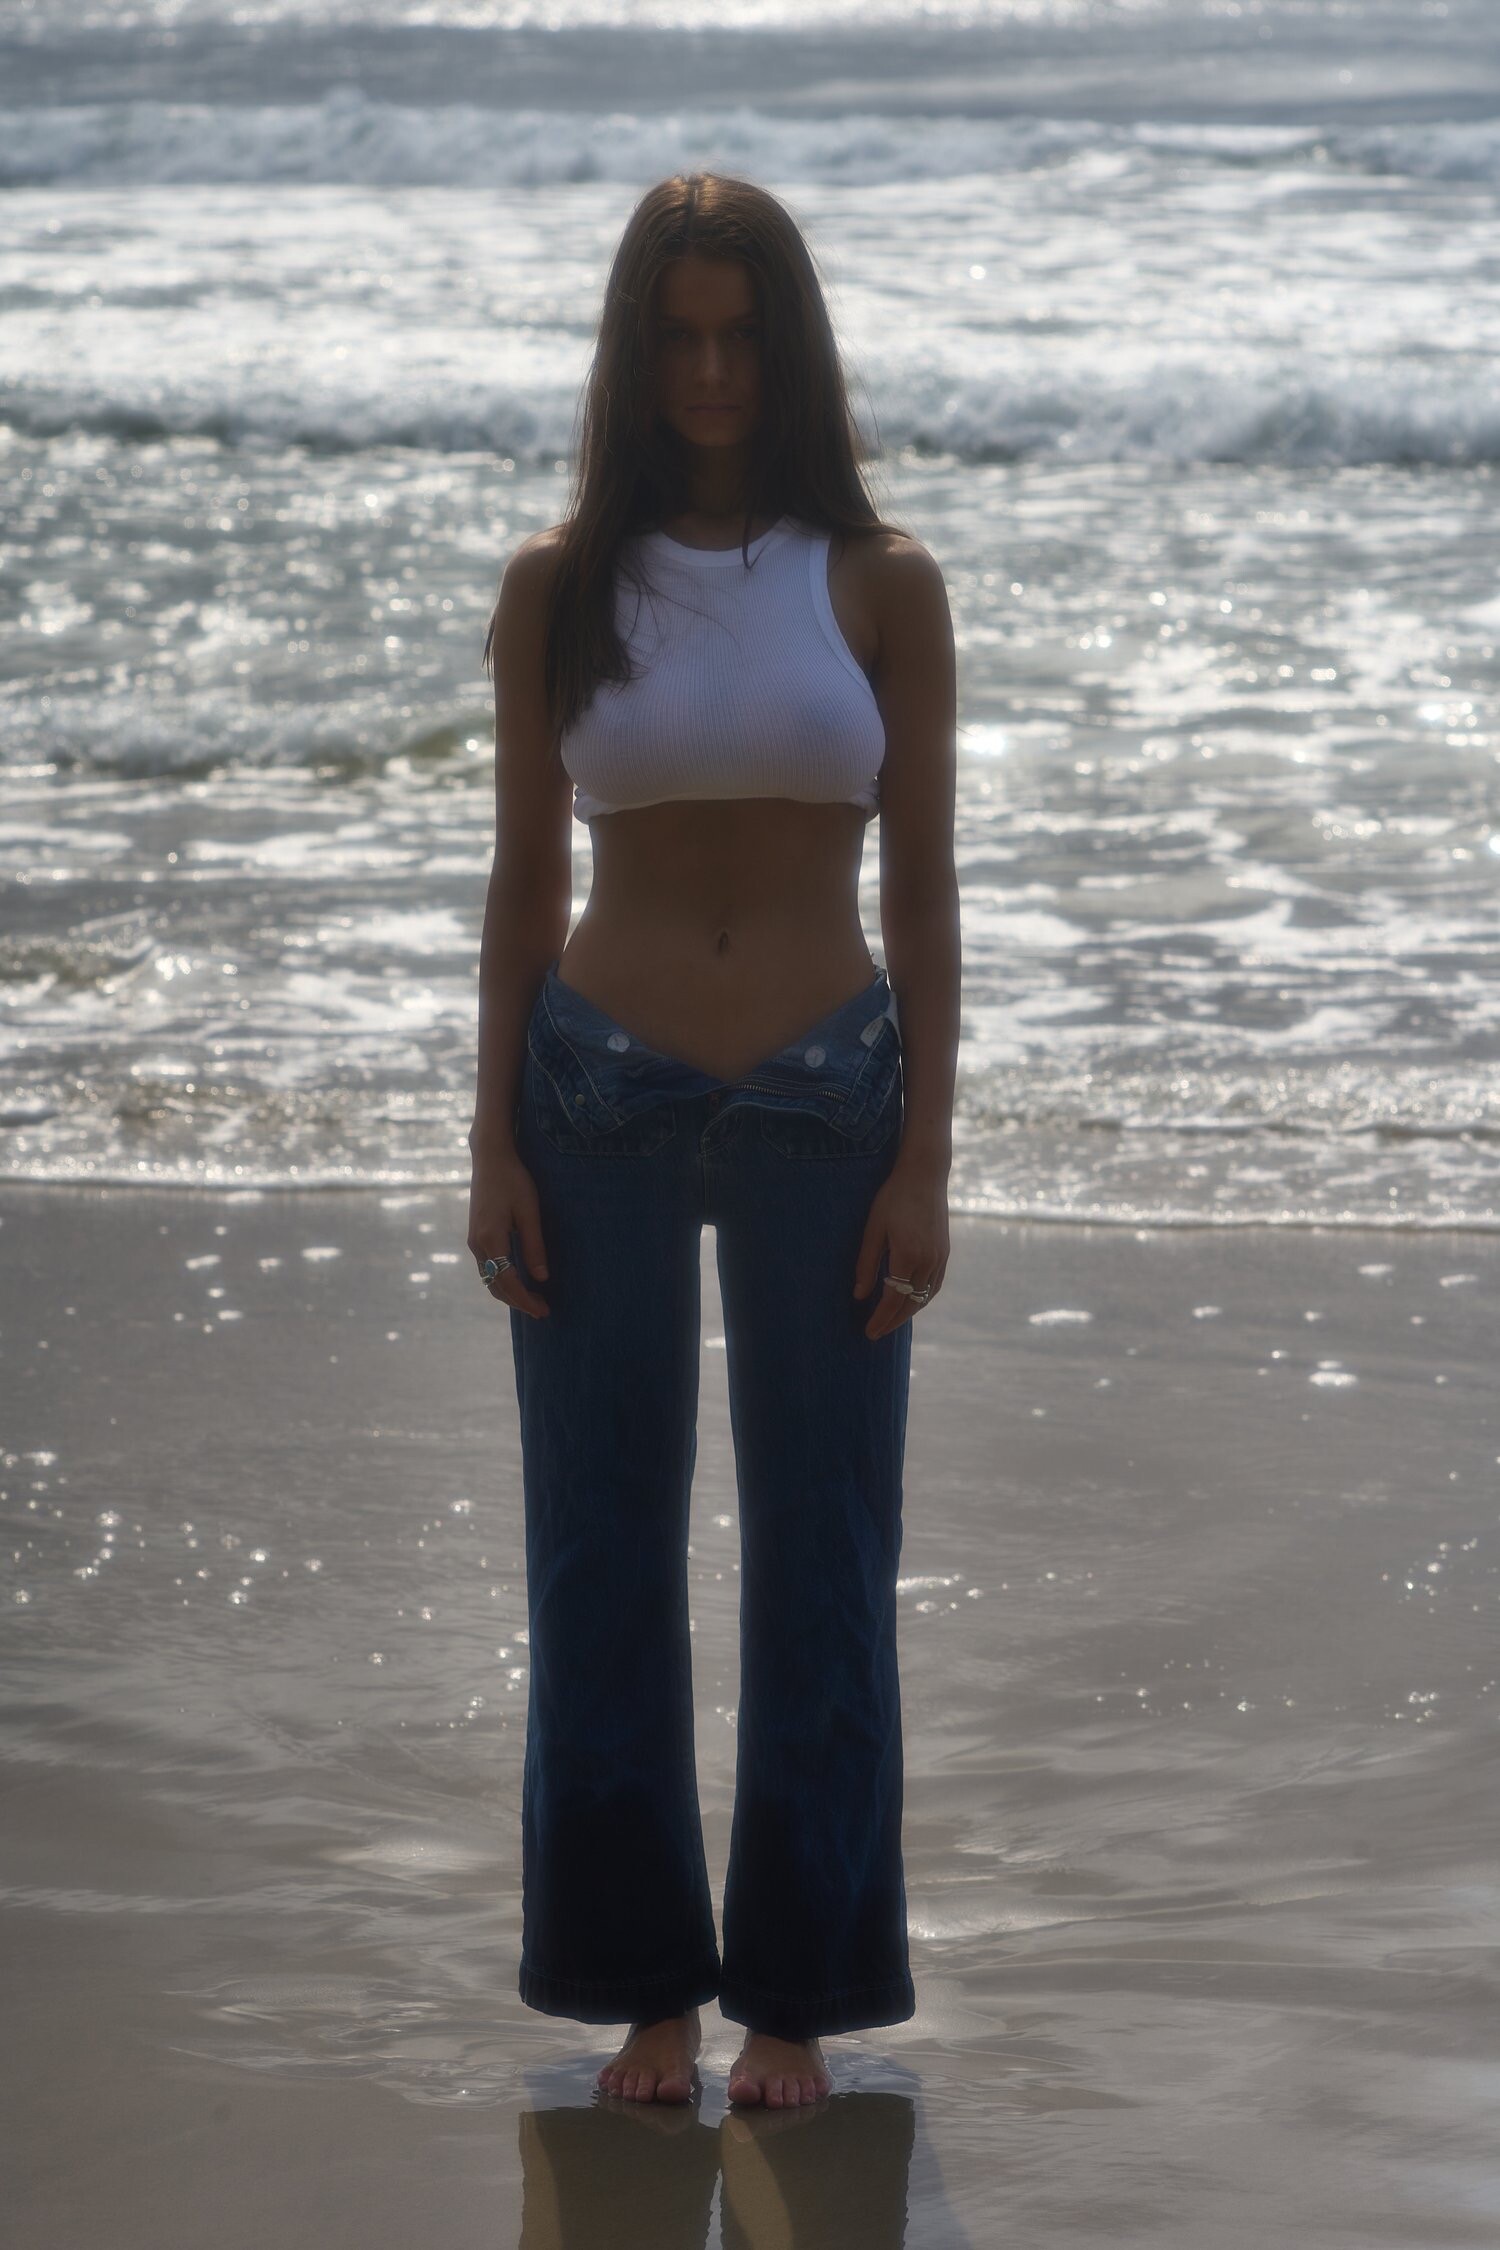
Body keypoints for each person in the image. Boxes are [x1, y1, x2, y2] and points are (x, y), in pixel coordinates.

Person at [466, 170, 960, 2111]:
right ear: (633, 350)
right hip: (596, 1088)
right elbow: (522, 881)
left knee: (824, 1555)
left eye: (742, 335)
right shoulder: (559, 584)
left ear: (791, 346)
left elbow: (925, 893)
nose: (710, 371)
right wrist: (490, 1136)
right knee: (601, 1551)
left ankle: (798, 2001)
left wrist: (926, 1157)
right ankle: (643, 1991)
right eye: (676, 336)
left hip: (830, 1091)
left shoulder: (882, 581)